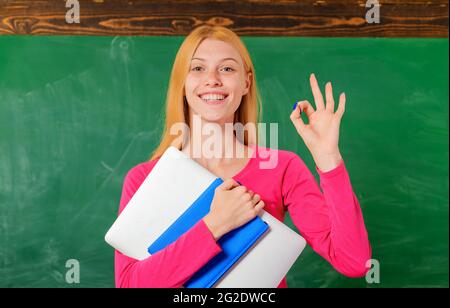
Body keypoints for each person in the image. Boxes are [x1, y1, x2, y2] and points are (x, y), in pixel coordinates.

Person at [114, 25, 372, 288]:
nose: (212, 79)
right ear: (182, 82)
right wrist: (214, 224)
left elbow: (353, 261)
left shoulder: (282, 168)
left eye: (227, 69)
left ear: (246, 82)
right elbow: (129, 285)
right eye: (198, 68)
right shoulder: (145, 179)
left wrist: (329, 159)